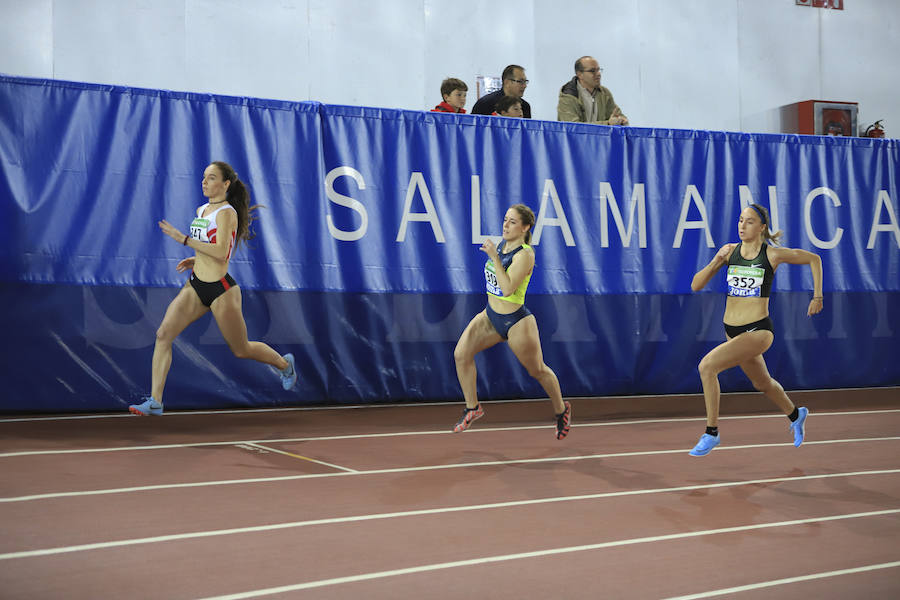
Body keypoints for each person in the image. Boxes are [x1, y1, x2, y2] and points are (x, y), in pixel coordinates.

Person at [128, 161, 297, 415]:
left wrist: (183, 239)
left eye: (211, 178)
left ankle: (284, 365)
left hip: (222, 291)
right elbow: (211, 246)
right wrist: (196, 258)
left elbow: (221, 252)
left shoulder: (228, 213)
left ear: (226, 184)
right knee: (163, 335)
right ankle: (155, 402)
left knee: (242, 349)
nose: (204, 182)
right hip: (196, 286)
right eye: (204, 177)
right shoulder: (202, 209)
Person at [687, 203, 824, 456]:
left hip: (758, 331)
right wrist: (716, 259)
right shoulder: (729, 253)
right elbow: (696, 284)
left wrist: (817, 297)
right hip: (733, 330)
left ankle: (712, 433)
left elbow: (814, 259)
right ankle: (796, 414)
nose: (742, 225)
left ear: (762, 227)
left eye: (749, 221)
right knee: (762, 383)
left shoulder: (772, 255)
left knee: (707, 367)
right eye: (740, 220)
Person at [452, 204, 571, 439]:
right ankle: (473, 408)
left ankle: (561, 410)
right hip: (490, 316)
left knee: (537, 370)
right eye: (505, 220)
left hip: (517, 322)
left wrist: (494, 257)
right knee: (461, 354)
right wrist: (496, 254)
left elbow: (507, 289)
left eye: (512, 222)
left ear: (525, 227)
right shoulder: (502, 244)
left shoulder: (525, 254)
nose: (505, 225)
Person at [557, 56, 628, 125]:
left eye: (598, 70)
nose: (598, 74)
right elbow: (573, 128)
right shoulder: (568, 96)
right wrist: (608, 124)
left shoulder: (604, 93)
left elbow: (616, 115)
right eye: (592, 71)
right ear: (579, 74)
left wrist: (621, 120)